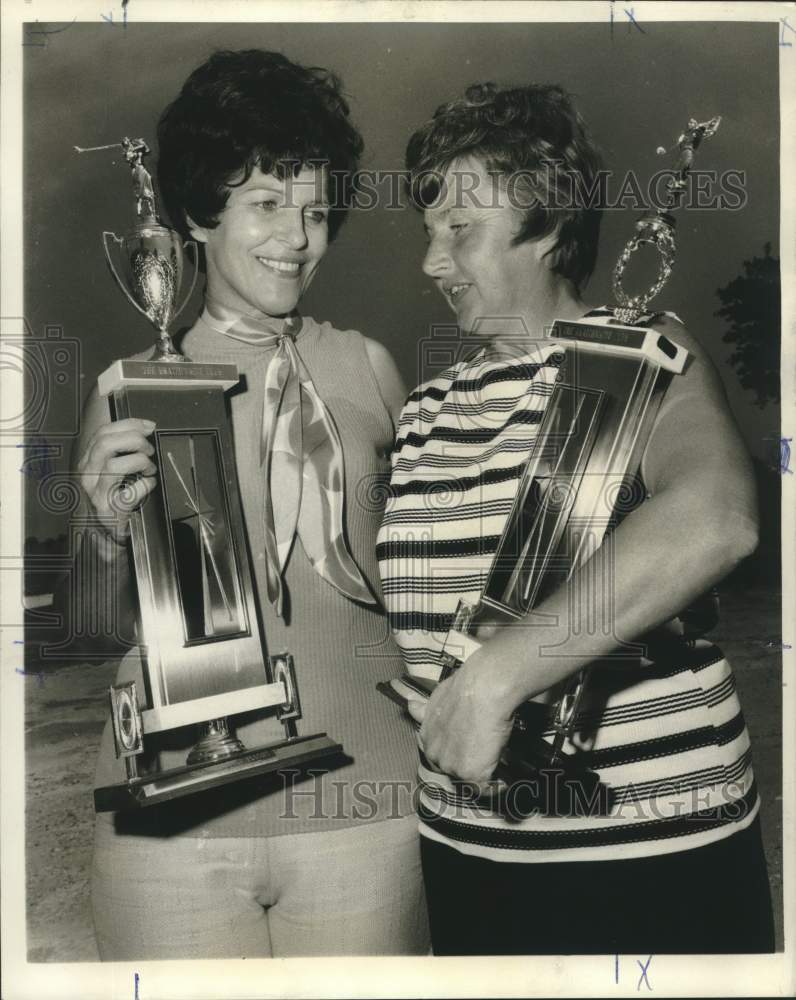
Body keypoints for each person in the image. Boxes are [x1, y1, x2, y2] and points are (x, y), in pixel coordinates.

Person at [377, 81, 775, 955]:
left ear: (551, 225)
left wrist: (497, 678)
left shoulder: (644, 354)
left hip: (652, 850)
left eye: (459, 232)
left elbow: (715, 518)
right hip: (467, 851)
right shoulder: (425, 409)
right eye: (428, 233)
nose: (431, 263)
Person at [75, 49, 428, 959]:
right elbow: (92, 623)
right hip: (172, 818)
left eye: (316, 211)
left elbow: (420, 586)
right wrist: (109, 535)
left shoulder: (372, 367)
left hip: (368, 800)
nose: (298, 238)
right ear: (198, 213)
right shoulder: (128, 386)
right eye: (267, 205)